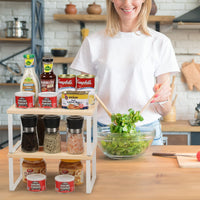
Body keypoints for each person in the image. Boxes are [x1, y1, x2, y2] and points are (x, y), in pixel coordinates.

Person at [70, 0, 180, 145]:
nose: (127, 3)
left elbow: (165, 111)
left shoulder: (160, 42)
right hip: (104, 131)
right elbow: (81, 95)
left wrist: (164, 99)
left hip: (146, 132)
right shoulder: (93, 42)